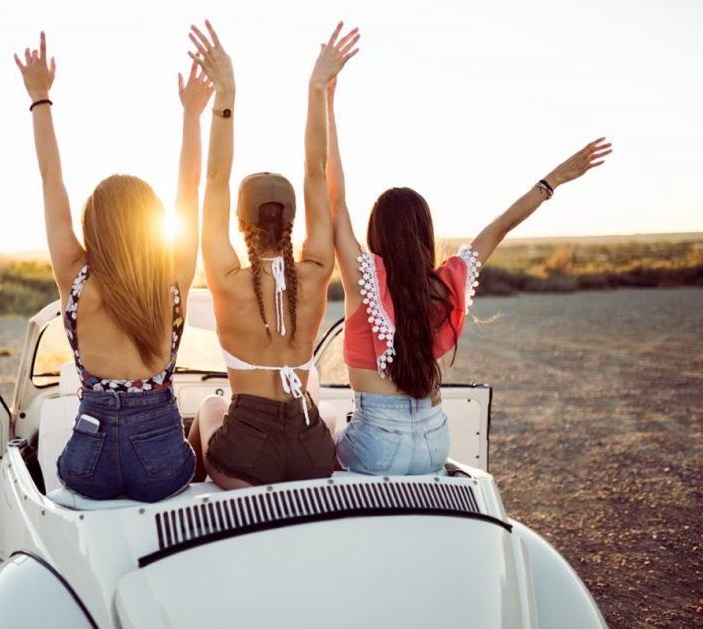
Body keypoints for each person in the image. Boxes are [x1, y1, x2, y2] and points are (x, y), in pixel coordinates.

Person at [326, 74, 613, 475]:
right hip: (434, 441)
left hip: (378, 444)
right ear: (425, 234)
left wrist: (327, 107)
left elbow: (334, 197)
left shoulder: (364, 279)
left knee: (322, 432)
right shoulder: (444, 285)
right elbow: (499, 226)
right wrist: (553, 181)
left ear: (378, 232)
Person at [14, 32, 212, 501]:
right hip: (161, 466)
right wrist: (191, 115)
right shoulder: (170, 283)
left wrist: (40, 98)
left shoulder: (75, 277)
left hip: (90, 465)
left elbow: (50, 179)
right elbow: (191, 188)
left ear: (93, 225)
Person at [187, 21, 359, 489]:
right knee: (316, 397)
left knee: (209, 407)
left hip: (247, 456)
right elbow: (315, 171)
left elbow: (216, 180)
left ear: (240, 224)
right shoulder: (317, 269)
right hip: (310, 451)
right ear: (293, 221)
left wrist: (227, 93)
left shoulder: (227, 278)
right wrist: (317, 87)